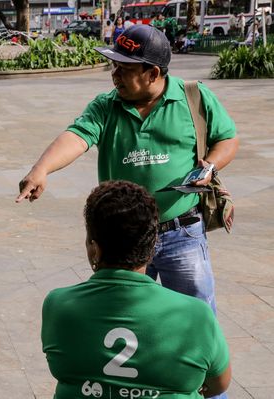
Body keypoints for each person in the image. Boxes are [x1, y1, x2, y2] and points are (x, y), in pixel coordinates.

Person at [17, 25, 238, 343]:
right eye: (114, 66)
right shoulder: (106, 106)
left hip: (183, 234)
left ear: (152, 73)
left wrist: (212, 165)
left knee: (197, 322)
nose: (115, 74)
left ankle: (210, 392)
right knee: (125, 324)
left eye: (125, 68)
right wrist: (41, 169)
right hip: (125, 242)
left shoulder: (194, 97)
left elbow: (227, 139)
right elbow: (77, 136)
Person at [42, 180, 232, 399]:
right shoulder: (197, 315)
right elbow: (219, 383)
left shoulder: (58, 305)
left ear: (94, 249)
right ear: (152, 247)